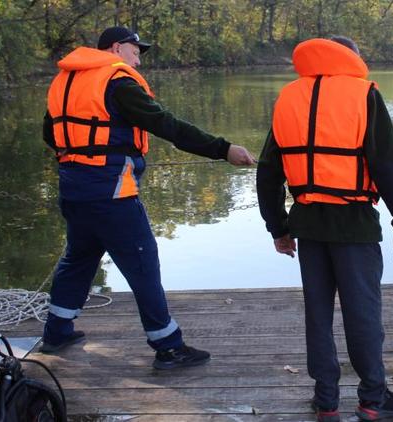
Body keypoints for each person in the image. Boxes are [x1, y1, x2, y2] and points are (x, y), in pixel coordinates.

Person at [40, 27, 256, 369]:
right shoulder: (118, 83)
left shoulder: (65, 82)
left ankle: (56, 331)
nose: (138, 58)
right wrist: (223, 149)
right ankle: (168, 346)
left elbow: (51, 134)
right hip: (111, 194)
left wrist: (90, 155)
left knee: (78, 258)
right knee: (143, 265)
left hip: (74, 188)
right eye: (135, 50)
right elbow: (167, 125)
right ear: (116, 48)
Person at [256, 36, 393, 422]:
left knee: (318, 314)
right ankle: (372, 400)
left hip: (308, 225)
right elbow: (387, 166)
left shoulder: (289, 97)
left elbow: (268, 172)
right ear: (352, 59)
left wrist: (277, 226)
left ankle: (326, 401)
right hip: (355, 225)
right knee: (362, 314)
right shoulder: (364, 94)